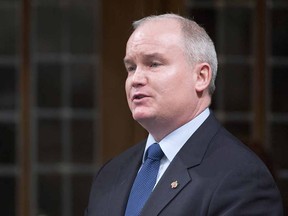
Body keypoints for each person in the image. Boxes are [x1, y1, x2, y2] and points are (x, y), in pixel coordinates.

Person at [85, 13, 283, 215]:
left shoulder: (241, 176)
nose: (136, 79)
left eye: (153, 64)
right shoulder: (111, 174)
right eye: (131, 67)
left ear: (201, 76)